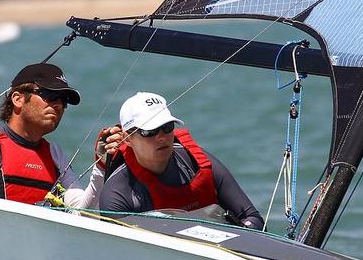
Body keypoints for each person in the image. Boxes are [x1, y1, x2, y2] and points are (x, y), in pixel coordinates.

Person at [0, 63, 120, 208]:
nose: (58, 105)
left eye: (63, 100)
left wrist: (102, 165)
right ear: (18, 99)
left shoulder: (55, 156)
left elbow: (81, 211)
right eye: (49, 95)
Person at [99, 92, 264, 230]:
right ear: (128, 139)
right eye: (150, 131)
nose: (161, 137)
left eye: (167, 127)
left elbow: (253, 218)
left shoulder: (198, 163)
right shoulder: (117, 194)